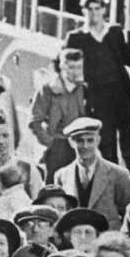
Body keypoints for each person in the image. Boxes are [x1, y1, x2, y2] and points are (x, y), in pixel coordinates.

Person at [65, 0, 130, 163]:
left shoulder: (114, 32)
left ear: (104, 10)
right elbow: (62, 62)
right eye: (89, 9)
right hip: (97, 96)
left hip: (120, 93)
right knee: (106, 141)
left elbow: (129, 60)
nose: (93, 13)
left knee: (129, 139)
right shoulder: (76, 37)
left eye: (97, 9)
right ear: (84, 12)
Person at [52, 117, 130, 230]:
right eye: (80, 141)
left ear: (98, 140)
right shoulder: (61, 176)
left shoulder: (119, 174)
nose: (85, 146)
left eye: (90, 140)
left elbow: (129, 215)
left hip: (107, 240)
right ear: (71, 143)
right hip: (75, 240)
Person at [31, 48, 90, 179]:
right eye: (72, 67)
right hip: (57, 144)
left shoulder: (82, 89)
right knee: (53, 186)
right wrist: (49, 142)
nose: (76, 72)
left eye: (79, 67)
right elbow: (34, 121)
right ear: (63, 67)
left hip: (78, 143)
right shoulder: (48, 89)